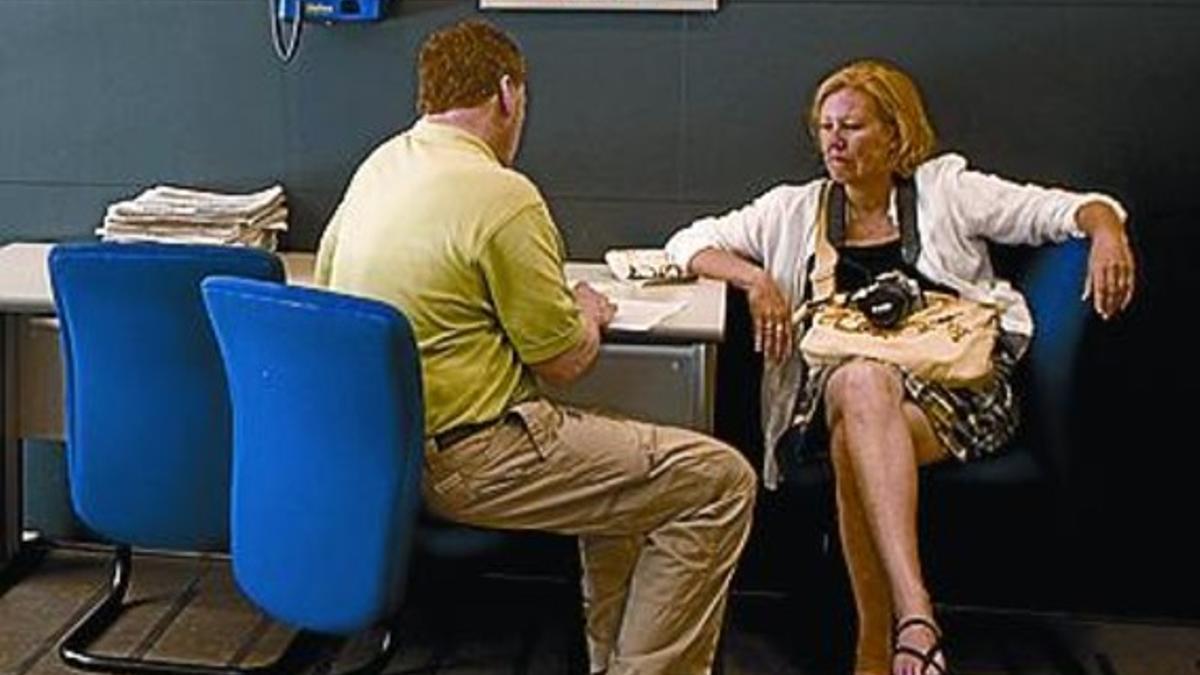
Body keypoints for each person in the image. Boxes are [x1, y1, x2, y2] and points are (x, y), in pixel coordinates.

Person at [664, 59, 1135, 675]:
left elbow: (1066, 210)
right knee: (860, 380)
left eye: (853, 127)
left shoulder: (947, 190)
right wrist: (754, 279)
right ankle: (917, 616)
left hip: (955, 396)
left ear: (896, 134)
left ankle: (873, 652)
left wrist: (1107, 233)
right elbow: (686, 242)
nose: (835, 140)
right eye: (826, 126)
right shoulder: (794, 209)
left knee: (851, 442)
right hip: (837, 394)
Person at [314, 19, 756, 675]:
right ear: (507, 94)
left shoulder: (381, 165)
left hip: (389, 447)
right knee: (719, 482)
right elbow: (565, 360)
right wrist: (587, 309)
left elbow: (329, 287)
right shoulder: (502, 193)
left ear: (427, 96)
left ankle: (613, 659)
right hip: (476, 455)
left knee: (630, 475)